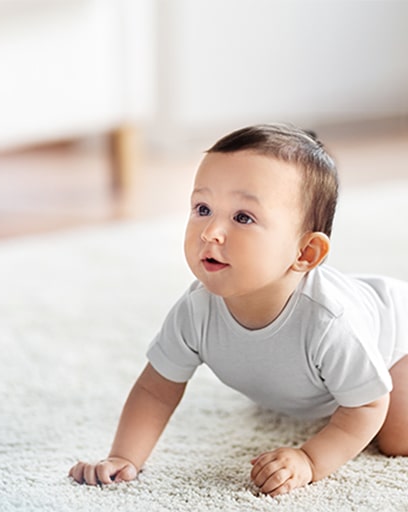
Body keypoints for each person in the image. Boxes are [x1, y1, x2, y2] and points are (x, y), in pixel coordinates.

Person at [69, 123, 408, 496]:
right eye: (203, 208)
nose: (210, 232)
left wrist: (309, 461)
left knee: (398, 436)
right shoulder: (197, 310)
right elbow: (155, 389)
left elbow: (368, 405)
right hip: (319, 377)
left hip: (398, 342)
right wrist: (124, 457)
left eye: (243, 217)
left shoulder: (330, 322)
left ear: (305, 253)